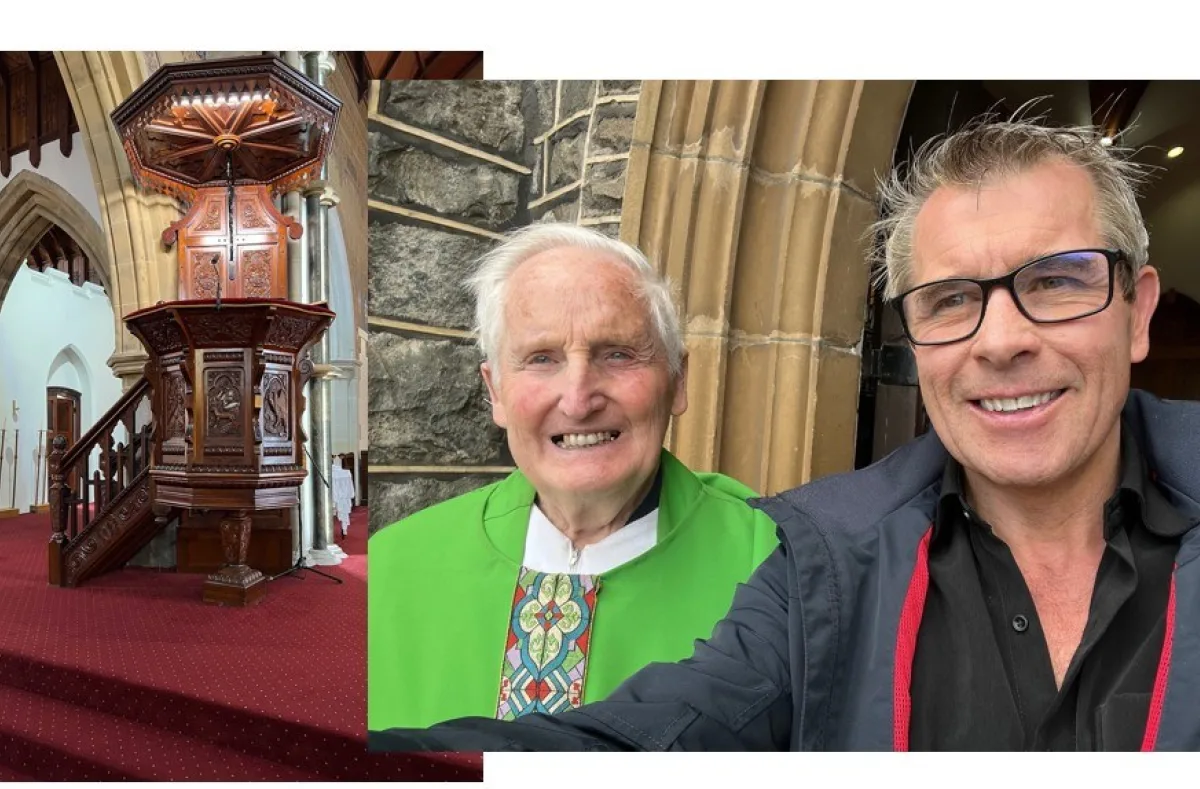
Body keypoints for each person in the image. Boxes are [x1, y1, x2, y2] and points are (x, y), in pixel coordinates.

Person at [368, 118, 1200, 751]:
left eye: (1057, 282)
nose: (1000, 339)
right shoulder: (822, 566)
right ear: (494, 392)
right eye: (950, 299)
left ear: (1140, 313)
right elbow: (641, 740)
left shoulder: (758, 536)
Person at [368, 223, 779, 731]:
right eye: (542, 359)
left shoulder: (778, 568)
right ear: (495, 392)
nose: (579, 399)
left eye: (618, 354)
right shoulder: (392, 571)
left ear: (677, 381)